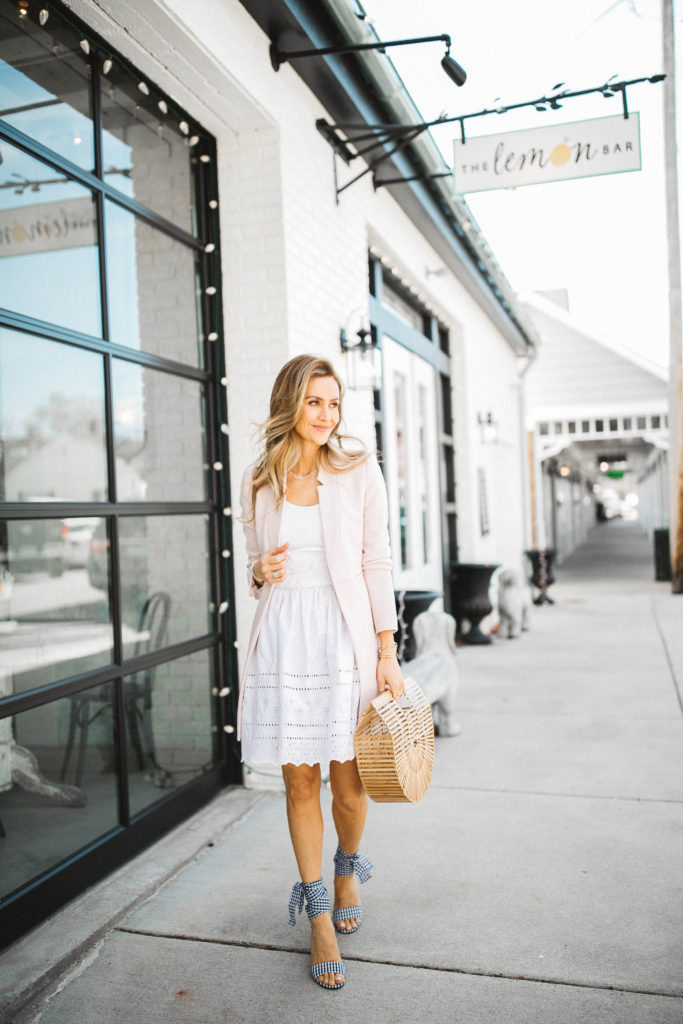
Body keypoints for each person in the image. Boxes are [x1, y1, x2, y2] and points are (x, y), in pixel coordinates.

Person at [238, 354, 405, 991]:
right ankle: (318, 916)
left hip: (344, 641)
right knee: (299, 784)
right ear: (291, 404)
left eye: (334, 404)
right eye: (315, 402)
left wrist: (387, 651)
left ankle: (346, 867)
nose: (326, 415)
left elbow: (377, 561)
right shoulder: (259, 478)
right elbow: (256, 565)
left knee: (348, 787)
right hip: (285, 640)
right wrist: (260, 574)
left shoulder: (359, 470)